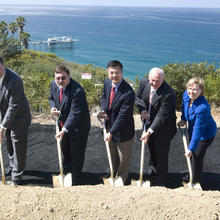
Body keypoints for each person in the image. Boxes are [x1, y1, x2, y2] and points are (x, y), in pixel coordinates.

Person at [49, 65, 90, 185]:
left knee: (76, 155)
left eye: (63, 78)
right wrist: (53, 107)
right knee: (65, 151)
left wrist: (64, 129)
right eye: (58, 78)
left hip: (78, 127)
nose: (60, 81)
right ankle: (66, 173)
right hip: (63, 125)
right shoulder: (53, 84)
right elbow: (51, 98)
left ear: (69, 76)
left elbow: (75, 113)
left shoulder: (77, 91)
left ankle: (75, 180)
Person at [136, 67, 177, 186]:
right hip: (149, 122)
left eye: (157, 81)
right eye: (152, 80)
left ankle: (162, 181)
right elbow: (138, 97)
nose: (153, 84)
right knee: (152, 148)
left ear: (163, 79)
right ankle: (153, 170)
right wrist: (142, 110)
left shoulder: (168, 93)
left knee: (161, 154)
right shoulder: (144, 82)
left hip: (164, 128)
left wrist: (148, 132)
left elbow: (161, 116)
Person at [98, 60, 135, 184]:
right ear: (108, 72)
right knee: (112, 153)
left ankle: (122, 178)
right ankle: (112, 173)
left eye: (117, 73)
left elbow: (122, 116)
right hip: (109, 125)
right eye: (111, 73)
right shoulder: (107, 82)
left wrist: (111, 132)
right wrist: (104, 109)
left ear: (122, 72)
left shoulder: (129, 92)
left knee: (123, 156)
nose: (114, 76)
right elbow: (104, 97)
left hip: (123, 129)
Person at [178, 77, 217, 185]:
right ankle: (192, 174)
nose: (192, 91)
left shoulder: (202, 108)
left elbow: (198, 131)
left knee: (196, 155)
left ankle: (195, 180)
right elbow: (184, 107)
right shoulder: (186, 95)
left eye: (195, 89)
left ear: (201, 91)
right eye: (190, 88)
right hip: (193, 129)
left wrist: (190, 148)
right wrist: (183, 118)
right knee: (192, 154)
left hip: (205, 134)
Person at [0, 56, 31, 186]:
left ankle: (17, 177)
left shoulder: (15, 80)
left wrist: (2, 126)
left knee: (18, 147)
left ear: (3, 64)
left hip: (19, 118)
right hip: (4, 117)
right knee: (9, 145)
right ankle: (12, 168)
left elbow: (14, 106)